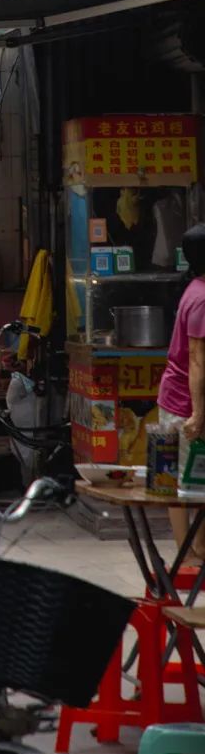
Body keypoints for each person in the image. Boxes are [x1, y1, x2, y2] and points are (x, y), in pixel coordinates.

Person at [156, 224, 205, 556]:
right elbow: (199, 361)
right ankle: (192, 554)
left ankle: (192, 553)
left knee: (181, 481)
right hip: (185, 403)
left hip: (174, 397)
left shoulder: (195, 289)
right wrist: (198, 414)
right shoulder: (202, 297)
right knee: (189, 483)